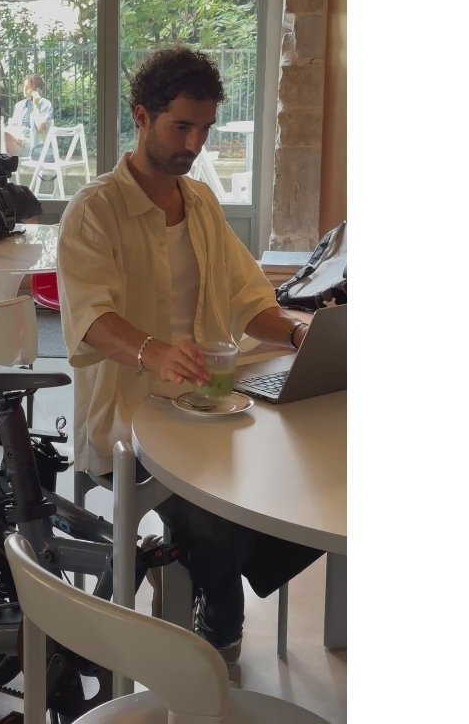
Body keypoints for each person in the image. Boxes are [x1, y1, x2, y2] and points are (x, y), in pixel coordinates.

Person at [57, 46, 323, 665]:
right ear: (141, 116)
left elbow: (247, 301)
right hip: (129, 422)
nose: (195, 144)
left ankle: (202, 577)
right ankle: (216, 620)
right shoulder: (94, 211)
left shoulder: (200, 204)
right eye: (181, 127)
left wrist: (295, 334)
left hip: (208, 404)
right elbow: (90, 321)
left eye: (204, 129)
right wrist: (153, 352)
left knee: (302, 478)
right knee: (217, 517)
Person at [3, 74, 54, 161]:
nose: (25, 89)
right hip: (17, 140)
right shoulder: (19, 105)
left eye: (28, 87)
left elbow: (40, 128)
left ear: (37, 90)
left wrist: (35, 105)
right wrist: (18, 136)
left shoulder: (45, 104)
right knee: (0, 135)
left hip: (33, 146)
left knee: (1, 137)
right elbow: (13, 126)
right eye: (24, 86)